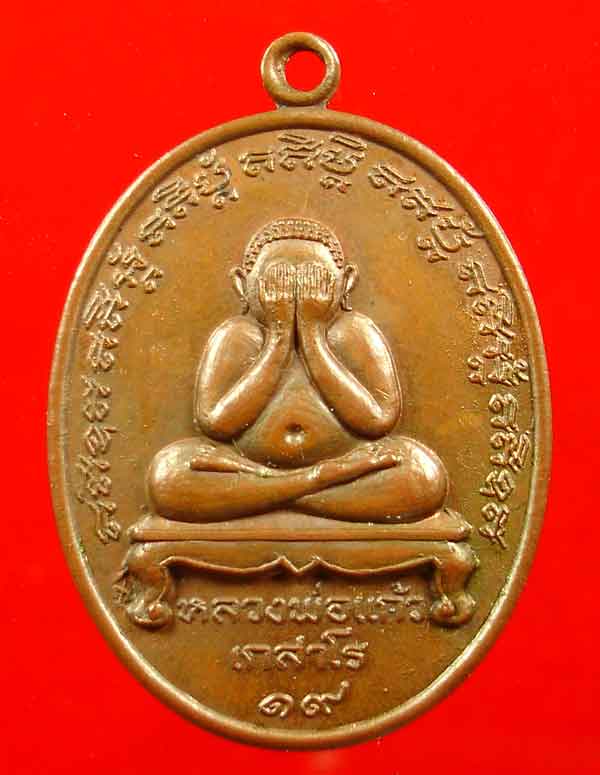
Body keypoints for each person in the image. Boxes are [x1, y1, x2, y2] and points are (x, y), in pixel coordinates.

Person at [147, 218, 449, 524]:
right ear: (242, 285)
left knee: (422, 475)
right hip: (256, 466)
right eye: (277, 280)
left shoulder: (353, 332)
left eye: (313, 279)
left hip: (339, 464)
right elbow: (216, 424)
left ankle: (269, 496)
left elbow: (378, 421)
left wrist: (312, 334)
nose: (294, 293)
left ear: (345, 283)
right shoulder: (237, 335)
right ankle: (311, 486)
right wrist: (279, 338)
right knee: (168, 474)